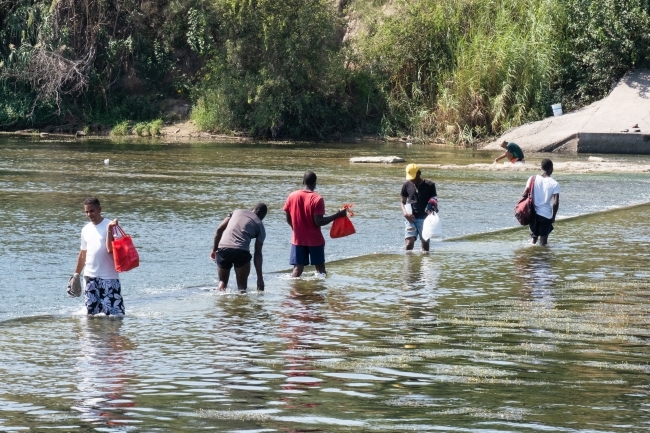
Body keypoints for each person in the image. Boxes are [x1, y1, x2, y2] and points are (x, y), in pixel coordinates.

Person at [283, 171, 348, 277]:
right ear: (315, 182)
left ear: (303, 181)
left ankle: (293, 292)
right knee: (320, 270)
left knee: (297, 269)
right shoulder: (317, 199)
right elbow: (318, 221)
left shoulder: (292, 196)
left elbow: (288, 217)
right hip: (315, 240)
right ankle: (318, 292)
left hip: (297, 239)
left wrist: (295, 229)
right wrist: (338, 215)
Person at [73, 197, 125, 316]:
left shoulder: (110, 225)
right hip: (90, 277)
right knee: (91, 316)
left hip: (109, 277)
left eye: (92, 211)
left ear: (99, 209)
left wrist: (109, 230)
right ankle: (95, 335)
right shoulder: (85, 229)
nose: (89, 214)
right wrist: (76, 274)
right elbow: (83, 254)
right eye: (86, 211)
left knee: (115, 316)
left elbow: (112, 250)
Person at [210, 203, 267, 291]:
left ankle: (220, 302)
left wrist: (214, 249)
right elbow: (258, 253)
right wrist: (260, 278)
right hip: (241, 251)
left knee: (222, 282)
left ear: (252, 209)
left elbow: (219, 230)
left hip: (223, 249)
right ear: (263, 215)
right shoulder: (260, 225)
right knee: (242, 288)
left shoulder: (236, 212)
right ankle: (241, 304)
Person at [401, 163, 438, 252]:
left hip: (425, 219)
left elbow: (434, 201)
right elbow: (402, 202)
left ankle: (424, 264)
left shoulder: (430, 185)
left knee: (425, 247)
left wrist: (433, 210)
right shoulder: (406, 185)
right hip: (411, 218)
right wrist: (405, 214)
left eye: (414, 176)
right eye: (410, 177)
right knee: (409, 244)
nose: (412, 179)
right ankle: (409, 264)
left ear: (419, 173)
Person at [527, 158, 560, 246]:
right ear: (551, 168)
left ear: (541, 167)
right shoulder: (555, 184)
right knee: (543, 242)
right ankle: (542, 257)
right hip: (545, 215)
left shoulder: (532, 178)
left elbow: (524, 194)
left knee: (533, 240)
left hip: (533, 213)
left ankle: (532, 256)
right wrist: (553, 217)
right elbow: (555, 202)